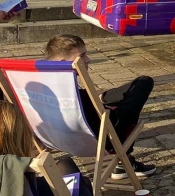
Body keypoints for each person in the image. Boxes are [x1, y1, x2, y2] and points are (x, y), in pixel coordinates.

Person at [45, 35, 156, 178]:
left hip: (57, 139)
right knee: (144, 83)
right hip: (106, 137)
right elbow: (109, 122)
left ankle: (103, 97)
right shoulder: (75, 96)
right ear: (63, 63)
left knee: (127, 92)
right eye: (82, 56)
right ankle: (124, 162)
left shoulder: (41, 89)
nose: (88, 59)